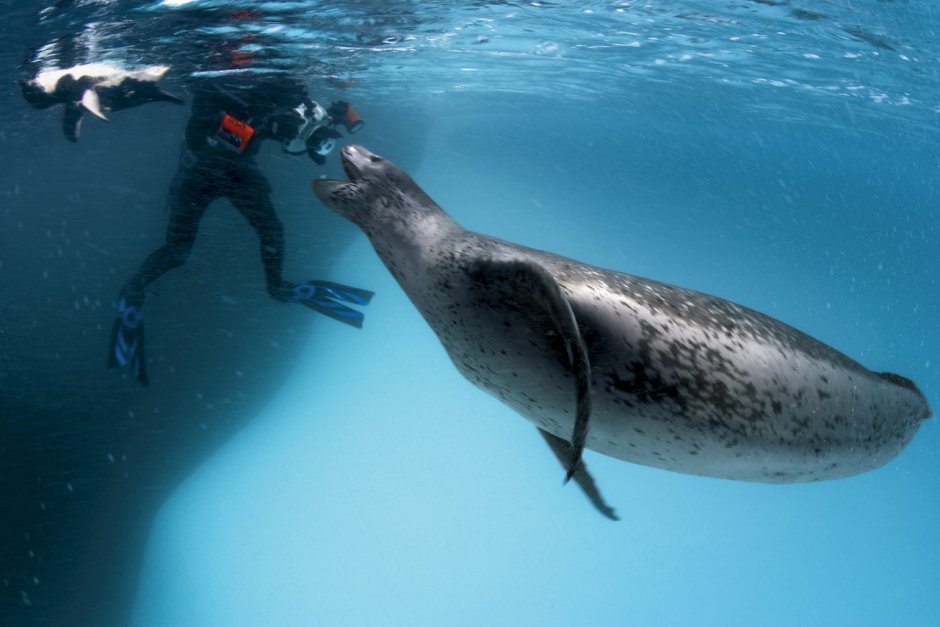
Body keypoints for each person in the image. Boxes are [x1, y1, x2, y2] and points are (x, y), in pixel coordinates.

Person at [108, 76, 372, 385]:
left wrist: (320, 123)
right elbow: (206, 128)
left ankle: (278, 286)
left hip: (238, 171)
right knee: (178, 251)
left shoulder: (274, 96)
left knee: (271, 230)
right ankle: (134, 290)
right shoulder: (215, 87)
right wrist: (262, 125)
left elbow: (296, 143)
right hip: (199, 171)